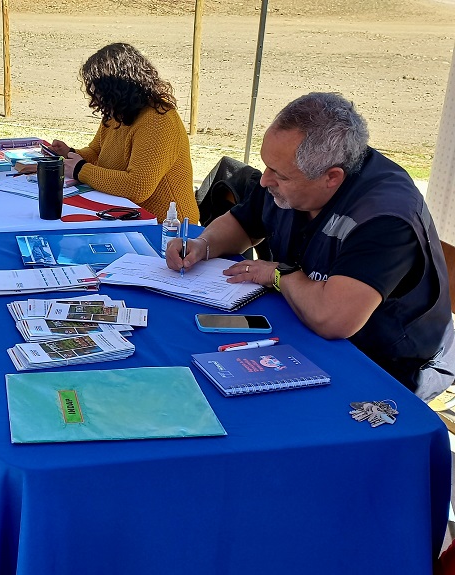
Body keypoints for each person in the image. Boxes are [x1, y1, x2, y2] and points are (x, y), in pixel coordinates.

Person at [166, 92, 454, 401]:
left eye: (279, 174)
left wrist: (278, 274)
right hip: (306, 330)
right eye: (267, 167)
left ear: (331, 177)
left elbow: (333, 319)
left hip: (389, 364)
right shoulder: (295, 175)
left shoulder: (385, 216)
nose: (264, 181)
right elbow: (242, 224)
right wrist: (202, 244)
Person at [49, 43, 198, 223]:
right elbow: (97, 153)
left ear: (119, 89)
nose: (95, 98)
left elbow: (137, 186)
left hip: (168, 227)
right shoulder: (119, 112)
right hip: (128, 214)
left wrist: (80, 169)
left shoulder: (158, 120)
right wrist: (70, 154)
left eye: (100, 92)